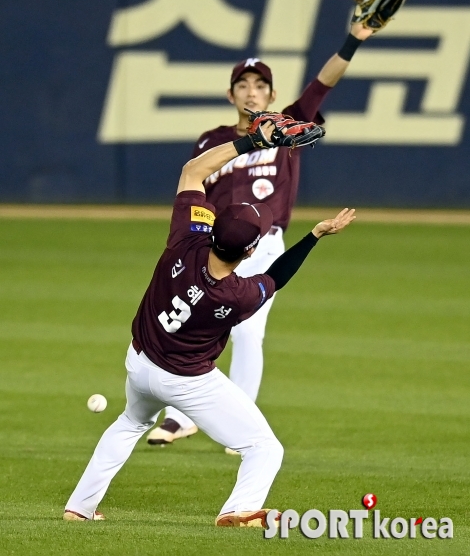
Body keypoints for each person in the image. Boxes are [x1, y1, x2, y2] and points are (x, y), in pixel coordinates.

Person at [63, 121, 355, 526]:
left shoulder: (187, 238)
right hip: (186, 380)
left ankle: (79, 507)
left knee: (130, 421)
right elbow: (276, 277)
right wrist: (315, 235)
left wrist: (254, 140)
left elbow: (193, 171)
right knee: (264, 447)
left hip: (141, 363)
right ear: (251, 249)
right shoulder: (234, 295)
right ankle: (238, 509)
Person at [147, 21, 373, 449]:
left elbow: (322, 84)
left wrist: (353, 40)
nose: (252, 92)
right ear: (230, 95)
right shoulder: (212, 141)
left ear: (271, 95)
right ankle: (180, 414)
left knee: (248, 331)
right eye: (243, 85)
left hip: (266, 242)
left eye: (260, 85)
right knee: (195, 325)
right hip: (215, 244)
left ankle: (239, 428)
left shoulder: (287, 126)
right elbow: (195, 189)